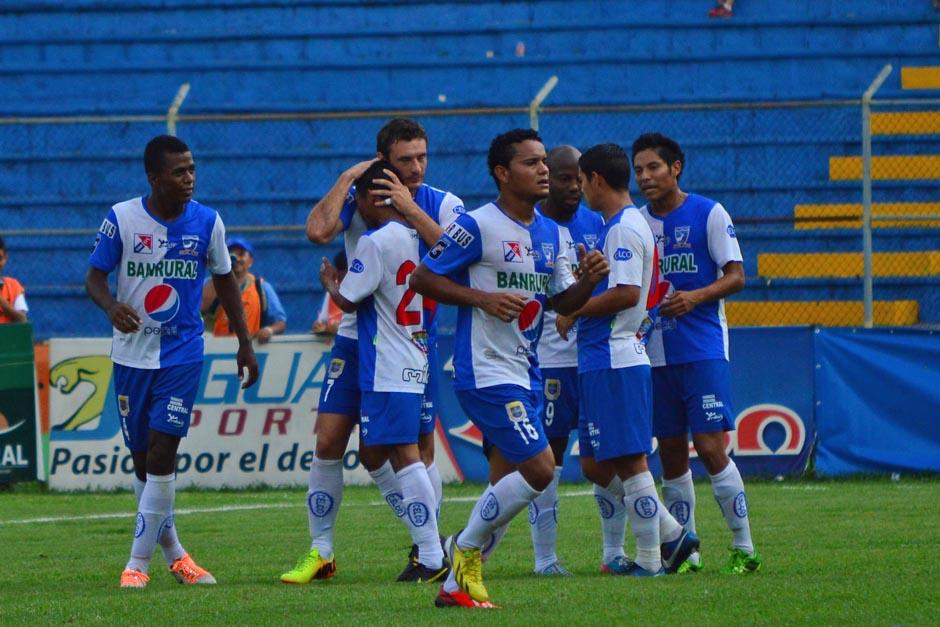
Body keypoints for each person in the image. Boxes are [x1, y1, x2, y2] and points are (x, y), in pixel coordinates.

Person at [410, 128, 609, 608]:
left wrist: (588, 282)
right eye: (531, 162)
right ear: (502, 173)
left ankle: (455, 586)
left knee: (505, 484)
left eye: (544, 161)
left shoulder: (552, 233)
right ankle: (463, 549)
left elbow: (562, 302)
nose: (544, 170)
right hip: (485, 371)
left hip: (527, 371)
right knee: (540, 469)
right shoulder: (477, 225)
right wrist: (481, 298)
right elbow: (422, 277)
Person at [282, 118, 465, 584]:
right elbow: (317, 232)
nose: (417, 167)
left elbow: (456, 255)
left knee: (413, 450)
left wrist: (410, 208)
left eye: (422, 157)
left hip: (411, 340)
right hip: (355, 337)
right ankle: (322, 550)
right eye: (406, 160)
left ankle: (428, 546)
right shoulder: (362, 198)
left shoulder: (443, 203)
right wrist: (348, 177)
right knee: (330, 441)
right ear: (383, 161)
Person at [85, 135, 258, 588]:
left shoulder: (208, 222)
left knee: (164, 452)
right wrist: (111, 307)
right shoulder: (122, 218)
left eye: (192, 169)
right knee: (144, 461)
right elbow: (94, 278)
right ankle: (177, 555)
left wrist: (244, 342)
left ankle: (136, 565)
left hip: (182, 352)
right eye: (179, 171)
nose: (189, 178)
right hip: (131, 355)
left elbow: (225, 282)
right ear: (154, 178)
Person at [555, 143, 699, 577]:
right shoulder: (619, 226)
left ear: (597, 179)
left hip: (615, 355)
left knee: (631, 461)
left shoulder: (622, 228)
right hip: (601, 358)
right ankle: (672, 532)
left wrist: (575, 309)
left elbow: (626, 293)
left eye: (582, 181)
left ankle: (651, 560)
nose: (581, 190)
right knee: (595, 463)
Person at [633, 132, 760, 574]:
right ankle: (687, 552)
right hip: (653, 353)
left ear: (676, 167)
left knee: (708, 446)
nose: (645, 177)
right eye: (638, 170)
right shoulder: (636, 223)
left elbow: (737, 276)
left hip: (702, 348)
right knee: (670, 451)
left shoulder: (709, 212)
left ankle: (744, 546)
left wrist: (695, 297)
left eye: (653, 167)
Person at [317, 160, 447, 583]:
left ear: (375, 199)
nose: (356, 208)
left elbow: (349, 300)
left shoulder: (375, 242)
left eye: (358, 199)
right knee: (395, 453)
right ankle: (431, 549)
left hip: (386, 360)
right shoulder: (417, 237)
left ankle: (432, 554)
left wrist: (331, 283)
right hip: (415, 353)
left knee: (406, 457)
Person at [527, 145, 605, 576]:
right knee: (549, 457)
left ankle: (613, 553)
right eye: (564, 178)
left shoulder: (597, 223)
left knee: (607, 455)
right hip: (550, 357)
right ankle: (545, 559)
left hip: (596, 355)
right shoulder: (532, 226)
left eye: (579, 179)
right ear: (547, 179)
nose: (574, 187)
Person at [201, 237, 287, 343]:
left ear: (250, 261)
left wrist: (269, 330)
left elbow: (280, 322)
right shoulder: (210, 284)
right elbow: (197, 310)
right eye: (231, 255)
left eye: (241, 254)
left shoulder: (261, 287)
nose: (236, 259)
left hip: (251, 347)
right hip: (215, 347)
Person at [312, 250, 346, 336]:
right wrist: (318, 325)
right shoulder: (332, 291)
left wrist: (339, 328)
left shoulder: (362, 291)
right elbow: (322, 321)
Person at [0, 236, 28, 324]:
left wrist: (2, 302)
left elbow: (22, 320)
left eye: (0, 258)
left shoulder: (13, 286)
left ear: (5, 258)